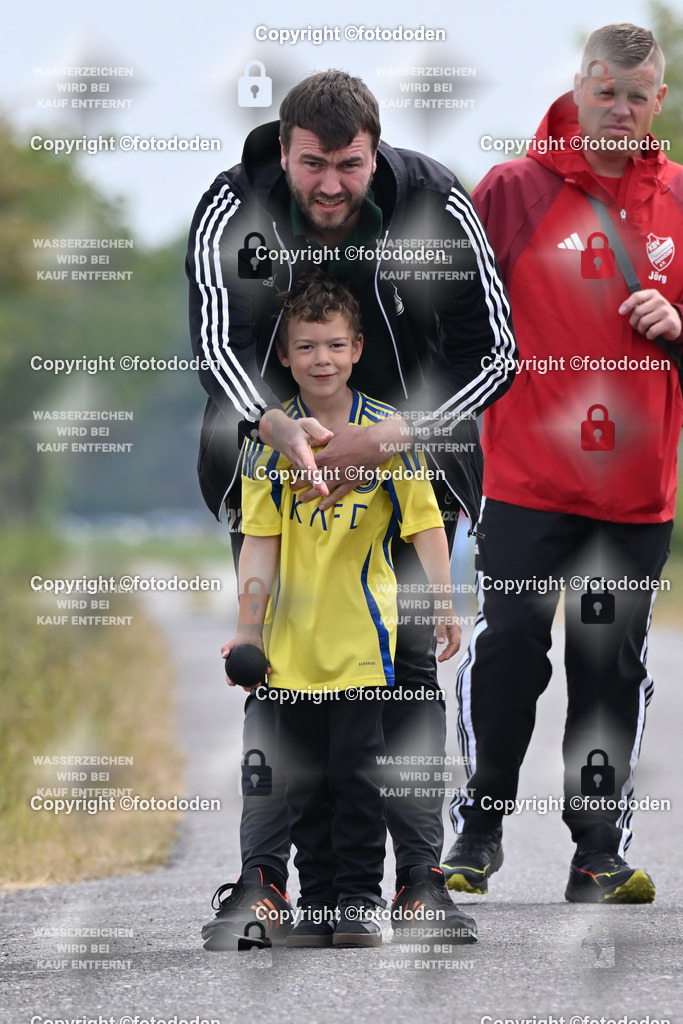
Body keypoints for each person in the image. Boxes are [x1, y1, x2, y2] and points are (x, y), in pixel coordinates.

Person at [186, 69, 516, 949]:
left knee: (404, 673)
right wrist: (275, 427)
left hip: (410, 475)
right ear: (284, 148)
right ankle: (266, 886)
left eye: (349, 165)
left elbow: (494, 351)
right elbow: (219, 341)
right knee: (280, 669)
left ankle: (416, 884)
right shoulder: (232, 209)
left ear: (375, 150)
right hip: (275, 466)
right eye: (311, 165)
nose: (329, 185)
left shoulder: (437, 204)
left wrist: (395, 437)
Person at [441, 23, 683, 903]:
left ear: (658, 101)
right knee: (508, 651)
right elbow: (447, 318)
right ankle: (476, 829)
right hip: (523, 483)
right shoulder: (510, 189)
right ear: (577, 86)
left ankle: (596, 853)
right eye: (604, 90)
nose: (618, 109)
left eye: (636, 95)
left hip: (635, 493)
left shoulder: (681, 200)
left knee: (608, 667)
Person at [222, 272, 472, 948]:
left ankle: (360, 900)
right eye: (306, 348)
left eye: (334, 345)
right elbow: (258, 546)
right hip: (291, 647)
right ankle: (319, 901)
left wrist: (444, 606)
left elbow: (425, 524)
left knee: (356, 778)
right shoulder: (265, 445)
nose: (321, 360)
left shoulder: (388, 434)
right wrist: (248, 629)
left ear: (358, 348)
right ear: (284, 356)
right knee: (306, 785)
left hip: (368, 642)